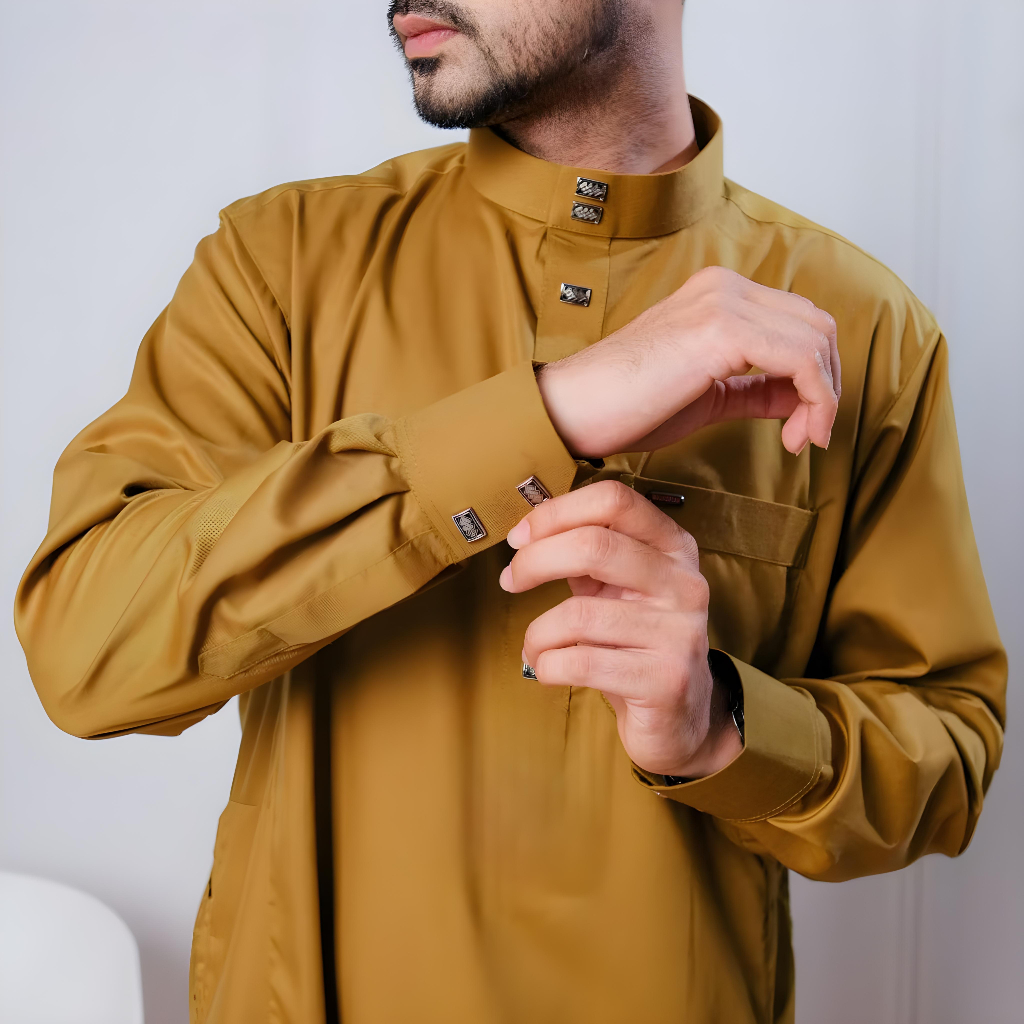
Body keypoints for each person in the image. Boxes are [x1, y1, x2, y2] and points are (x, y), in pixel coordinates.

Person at [15, 1, 1007, 1021]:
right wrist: (548, 413)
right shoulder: (282, 263)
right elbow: (85, 652)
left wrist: (721, 728)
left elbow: (948, 757)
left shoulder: (859, 331)